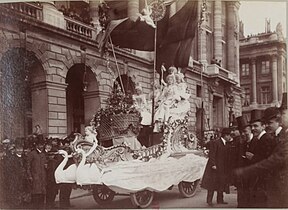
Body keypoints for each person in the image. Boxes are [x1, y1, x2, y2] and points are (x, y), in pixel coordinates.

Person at [234, 98, 288, 208]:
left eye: (270, 123)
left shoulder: (278, 137)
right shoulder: (275, 135)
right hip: (274, 185)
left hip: (280, 185)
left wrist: (245, 171)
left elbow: (273, 160)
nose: (267, 125)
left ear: (280, 120)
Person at [239, 109, 276, 207]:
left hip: (263, 179)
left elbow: (268, 160)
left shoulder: (266, 139)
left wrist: (253, 157)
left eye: (256, 126)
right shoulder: (260, 139)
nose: (253, 128)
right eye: (252, 126)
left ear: (263, 126)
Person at [201, 127, 232, 206]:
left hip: (222, 167)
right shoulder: (216, 142)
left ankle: (220, 200)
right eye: (229, 136)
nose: (230, 137)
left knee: (221, 183)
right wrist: (213, 164)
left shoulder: (226, 144)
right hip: (214, 167)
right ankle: (209, 201)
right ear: (225, 135)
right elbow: (212, 154)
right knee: (212, 184)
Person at [26, 140, 47, 209]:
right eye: (40, 145)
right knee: (35, 195)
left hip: (42, 177)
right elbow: (28, 166)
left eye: (42, 145)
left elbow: (45, 165)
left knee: (42, 195)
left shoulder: (43, 154)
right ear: (36, 145)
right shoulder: (32, 154)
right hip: (35, 177)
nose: (41, 146)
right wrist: (30, 176)